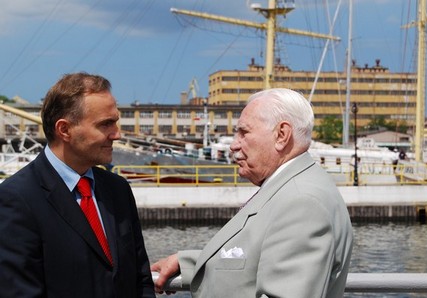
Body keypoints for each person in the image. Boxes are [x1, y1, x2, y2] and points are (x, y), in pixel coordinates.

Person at [151, 88, 353, 297]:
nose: (234, 145)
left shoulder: (302, 202)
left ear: (281, 135)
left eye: (244, 132)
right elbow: (257, 258)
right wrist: (191, 263)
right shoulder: (293, 188)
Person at [0, 72, 156, 298]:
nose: (117, 134)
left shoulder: (118, 189)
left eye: (116, 122)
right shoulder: (16, 199)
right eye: (106, 124)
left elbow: (141, 280)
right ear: (64, 130)